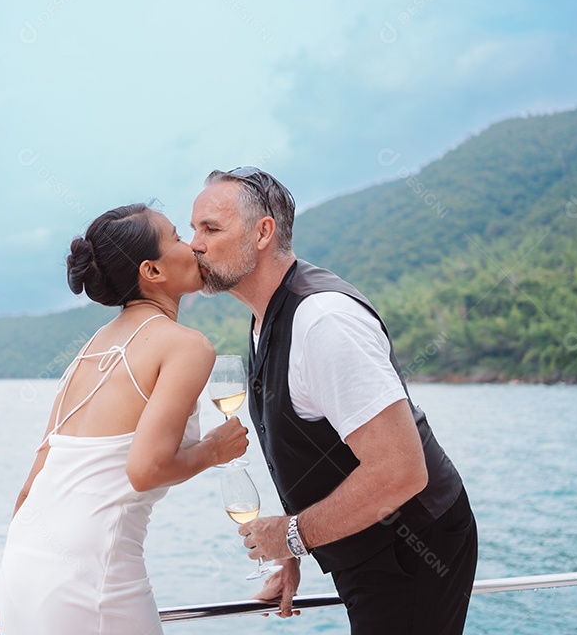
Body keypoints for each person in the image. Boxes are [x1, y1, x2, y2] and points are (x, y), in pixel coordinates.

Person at [189, 168, 478, 635]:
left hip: (415, 550)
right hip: (366, 545)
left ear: (263, 232)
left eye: (210, 229)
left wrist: (293, 534)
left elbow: (400, 470)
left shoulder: (324, 322)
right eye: (193, 229)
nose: (194, 245)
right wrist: (298, 550)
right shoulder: (266, 317)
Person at [0, 203, 250, 634]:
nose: (192, 246)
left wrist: (13, 598)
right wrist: (214, 450)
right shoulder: (185, 346)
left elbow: (28, 488)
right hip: (92, 571)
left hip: (23, 563)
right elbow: (145, 469)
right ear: (151, 272)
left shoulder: (90, 349)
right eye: (176, 237)